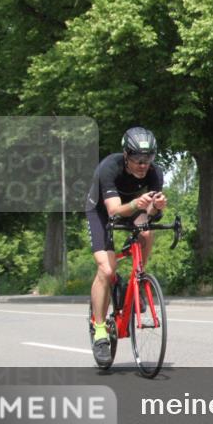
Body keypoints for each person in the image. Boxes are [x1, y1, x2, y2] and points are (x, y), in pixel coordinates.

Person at [84, 127, 166, 366]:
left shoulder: (154, 173)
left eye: (149, 159)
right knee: (107, 271)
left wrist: (158, 207)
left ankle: (138, 281)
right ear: (126, 155)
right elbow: (113, 211)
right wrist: (137, 204)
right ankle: (99, 330)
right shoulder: (109, 168)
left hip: (131, 207)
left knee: (147, 232)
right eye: (138, 160)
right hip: (101, 210)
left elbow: (149, 213)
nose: (143, 165)